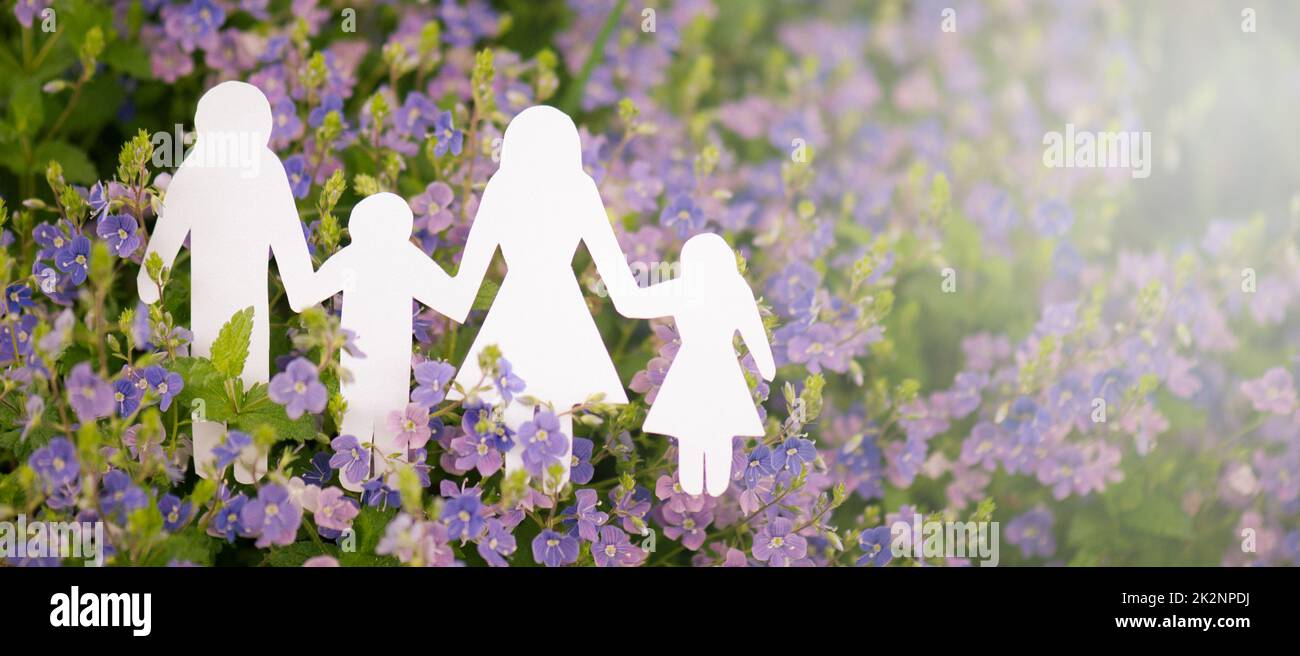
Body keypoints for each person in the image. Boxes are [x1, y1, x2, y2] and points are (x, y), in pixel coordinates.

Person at [445, 105, 642, 490]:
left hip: (518, 302)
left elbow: (465, 282)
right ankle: (548, 496)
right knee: (558, 393)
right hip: (559, 302)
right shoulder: (578, 187)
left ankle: (519, 495)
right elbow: (620, 283)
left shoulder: (504, 186)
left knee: (514, 392)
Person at [137, 81, 313, 483]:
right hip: (227, 292)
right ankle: (241, 467)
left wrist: (150, 283)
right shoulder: (260, 166)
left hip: (224, 293)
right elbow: (288, 237)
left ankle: (217, 468)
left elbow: (165, 239)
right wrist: (303, 289)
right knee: (231, 373)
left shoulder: (204, 165)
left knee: (213, 374)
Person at [290, 192, 464, 490]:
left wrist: (290, 241)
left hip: (365, 352)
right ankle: (384, 480)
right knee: (383, 412)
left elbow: (303, 296)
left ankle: (359, 479)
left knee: (365, 410)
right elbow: (454, 300)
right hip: (382, 352)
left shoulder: (355, 257)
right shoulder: (404, 257)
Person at [618, 233, 776, 496]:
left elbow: (633, 303)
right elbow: (753, 329)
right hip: (718, 363)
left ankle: (698, 481)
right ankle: (709, 482)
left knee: (693, 422)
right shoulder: (729, 288)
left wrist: (616, 274)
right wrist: (766, 366)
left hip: (693, 363)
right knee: (716, 424)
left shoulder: (690, 287)